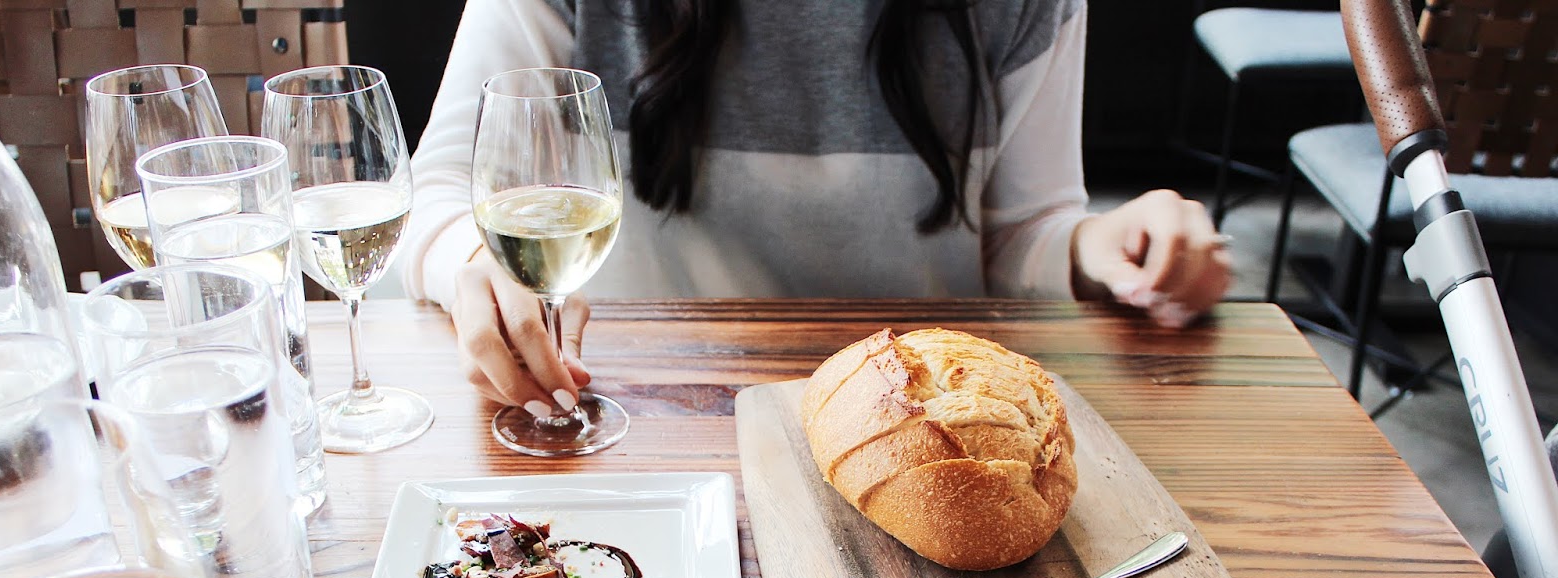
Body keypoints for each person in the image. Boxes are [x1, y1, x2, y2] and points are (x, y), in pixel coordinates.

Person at [399, 0, 1234, 418]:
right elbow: (437, 192)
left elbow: (1021, 232)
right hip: (641, 409)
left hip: (923, 417)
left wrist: (1100, 246)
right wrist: (474, 268)